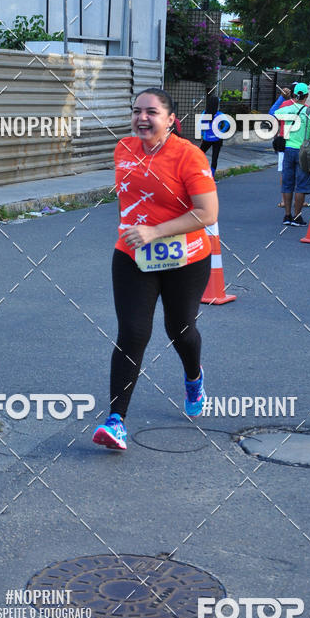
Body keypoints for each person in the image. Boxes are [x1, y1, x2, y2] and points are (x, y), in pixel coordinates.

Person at [92, 88, 218, 451]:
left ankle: (194, 377)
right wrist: (133, 232)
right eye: (136, 111)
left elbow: (208, 214)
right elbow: (126, 201)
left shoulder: (189, 156)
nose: (141, 118)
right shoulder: (123, 149)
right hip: (133, 256)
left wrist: (155, 231)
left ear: (170, 120)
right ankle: (116, 421)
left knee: (180, 330)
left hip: (187, 258)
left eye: (151, 112)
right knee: (132, 332)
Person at [274, 82, 310, 226]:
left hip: (288, 150)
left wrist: (282, 98)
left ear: (294, 95)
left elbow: (273, 113)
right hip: (304, 151)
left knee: (288, 183)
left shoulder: (287, 109)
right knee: (301, 185)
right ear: (307, 96)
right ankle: (297, 217)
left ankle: (287, 216)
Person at [269, 86, 292, 207]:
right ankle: (300, 200)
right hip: (299, 145)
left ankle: (284, 201)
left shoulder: (284, 106)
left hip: (284, 143)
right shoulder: (307, 109)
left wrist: (281, 98)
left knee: (284, 173)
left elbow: (271, 113)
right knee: (300, 173)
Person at [200, 95, 229, 177]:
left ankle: (199, 172)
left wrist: (203, 133)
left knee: (199, 154)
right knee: (214, 158)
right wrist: (221, 131)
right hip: (217, 139)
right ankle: (212, 176)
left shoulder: (204, 113)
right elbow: (227, 124)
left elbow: (201, 124)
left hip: (207, 138)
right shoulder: (220, 114)